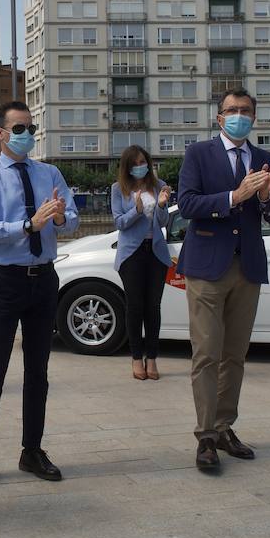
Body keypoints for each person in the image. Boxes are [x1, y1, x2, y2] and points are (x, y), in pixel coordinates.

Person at [0, 101, 79, 492]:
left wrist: (61, 216)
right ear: (0, 133)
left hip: (43, 279)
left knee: (38, 371)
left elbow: (72, 219)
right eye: (18, 128)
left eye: (29, 127)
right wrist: (30, 225)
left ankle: (32, 449)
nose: (26, 134)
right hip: (6, 281)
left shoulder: (49, 173)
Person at [176, 89, 270, 473]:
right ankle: (205, 435)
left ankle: (224, 427)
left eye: (246, 110)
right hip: (207, 266)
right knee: (207, 353)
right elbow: (187, 204)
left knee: (234, 356)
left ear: (254, 117)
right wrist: (234, 196)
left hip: (248, 266)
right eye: (232, 110)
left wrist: (268, 196)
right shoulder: (198, 154)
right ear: (219, 117)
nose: (239, 115)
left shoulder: (266, 159)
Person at [111, 145, 172, 382]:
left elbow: (164, 221)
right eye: (135, 163)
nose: (140, 167)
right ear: (127, 167)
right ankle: (137, 358)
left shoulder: (159, 185)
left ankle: (153, 358)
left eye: (143, 162)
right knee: (135, 306)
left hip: (156, 252)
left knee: (153, 307)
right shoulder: (119, 189)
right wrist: (137, 210)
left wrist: (162, 204)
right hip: (131, 255)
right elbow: (119, 223)